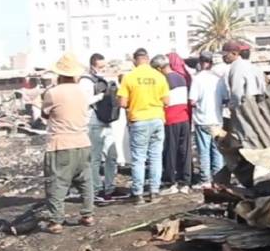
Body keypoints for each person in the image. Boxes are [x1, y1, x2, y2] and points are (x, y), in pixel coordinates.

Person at [39, 53, 95, 232]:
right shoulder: (83, 92)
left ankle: (56, 221)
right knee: (85, 181)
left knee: (57, 182)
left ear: (59, 74)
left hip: (60, 143)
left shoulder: (53, 93)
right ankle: (88, 214)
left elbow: (45, 114)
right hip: (83, 141)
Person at [118, 48, 170, 204]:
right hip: (157, 118)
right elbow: (167, 101)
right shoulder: (159, 76)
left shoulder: (129, 77)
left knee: (139, 158)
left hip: (139, 119)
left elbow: (122, 103)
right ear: (147, 59)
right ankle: (154, 191)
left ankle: (138, 193)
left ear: (135, 60)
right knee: (155, 157)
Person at [79, 53, 119, 201]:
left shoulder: (103, 79)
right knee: (95, 158)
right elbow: (84, 101)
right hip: (93, 122)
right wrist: (101, 97)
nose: (103, 69)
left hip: (106, 122)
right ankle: (96, 189)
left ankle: (109, 188)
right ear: (92, 66)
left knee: (112, 155)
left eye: (104, 66)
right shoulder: (85, 81)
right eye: (100, 67)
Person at [188, 52, 228, 189]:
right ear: (211, 63)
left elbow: (192, 100)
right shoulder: (218, 79)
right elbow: (225, 98)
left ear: (200, 62)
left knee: (203, 151)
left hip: (202, 119)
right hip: (217, 119)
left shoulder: (197, 79)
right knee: (217, 150)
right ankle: (218, 179)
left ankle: (205, 179)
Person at [158, 53, 193, 194]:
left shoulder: (164, 80)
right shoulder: (181, 77)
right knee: (184, 151)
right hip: (184, 117)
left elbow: (164, 100)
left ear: (159, 68)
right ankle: (185, 181)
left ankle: (170, 182)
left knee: (170, 151)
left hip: (171, 118)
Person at [222, 40, 265, 110]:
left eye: (225, 54)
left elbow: (237, 93)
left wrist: (232, 107)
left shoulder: (237, 66)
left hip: (245, 105)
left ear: (234, 53)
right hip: (254, 103)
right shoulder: (253, 67)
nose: (223, 57)